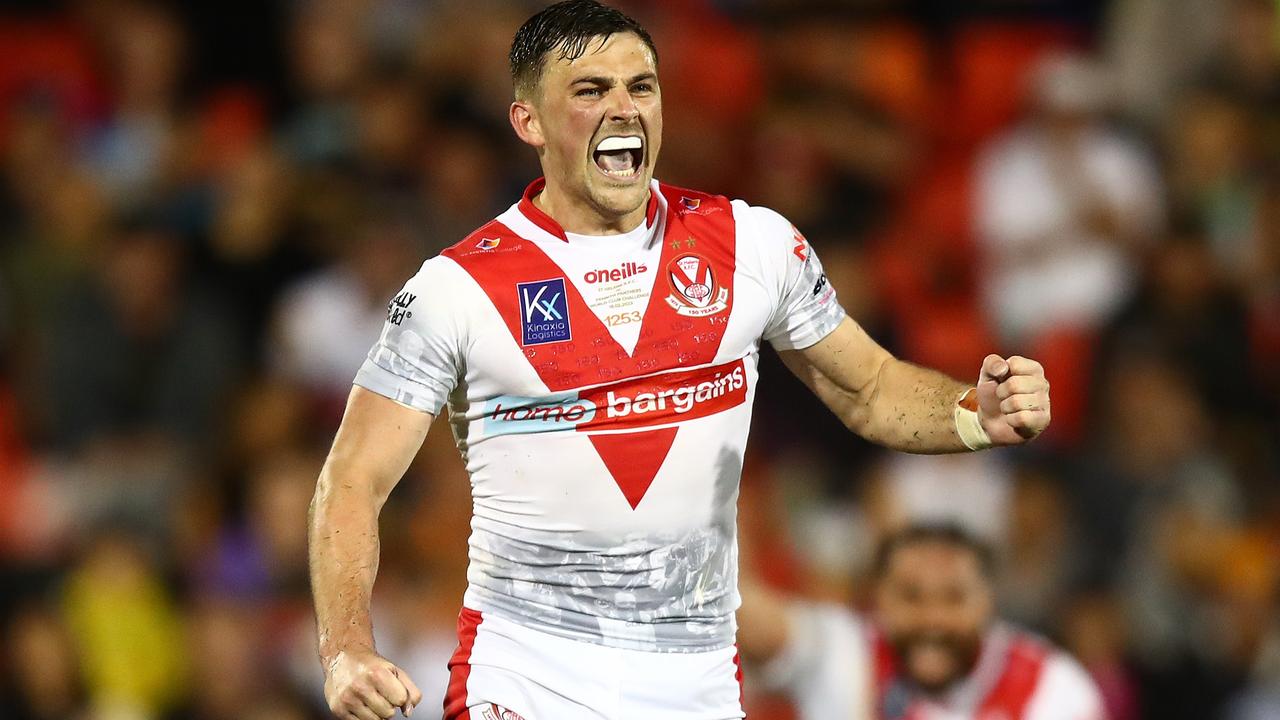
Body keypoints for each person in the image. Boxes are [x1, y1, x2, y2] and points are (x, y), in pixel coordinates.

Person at [307, 3, 1052, 719]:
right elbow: (352, 478)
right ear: (527, 120)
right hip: (526, 679)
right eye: (590, 91)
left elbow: (871, 388)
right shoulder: (458, 289)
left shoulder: (752, 246)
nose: (623, 108)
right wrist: (346, 647)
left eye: (642, 87)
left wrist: (973, 415)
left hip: (694, 687)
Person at [738, 524, 1105, 720]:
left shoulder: (1051, 686)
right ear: (878, 598)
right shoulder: (845, 651)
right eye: (911, 596)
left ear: (989, 603)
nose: (933, 619)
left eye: (953, 597)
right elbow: (743, 610)